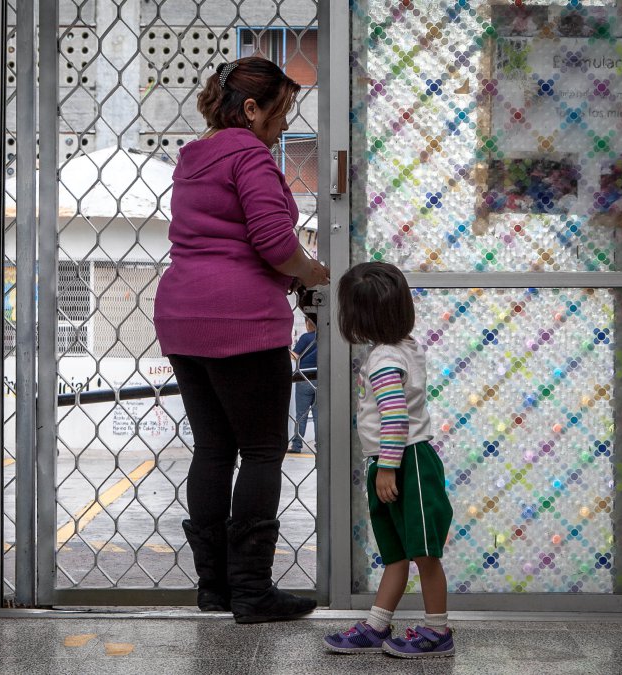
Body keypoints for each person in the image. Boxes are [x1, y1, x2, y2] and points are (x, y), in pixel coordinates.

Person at [153, 56, 330, 624]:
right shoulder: (249, 153)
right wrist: (310, 272)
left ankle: (215, 589)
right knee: (259, 450)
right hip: (241, 318)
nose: (283, 126)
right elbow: (275, 242)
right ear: (250, 109)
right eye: (280, 113)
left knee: (212, 449)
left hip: (182, 316)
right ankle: (252, 591)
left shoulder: (191, 157)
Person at [324, 262, 455, 659]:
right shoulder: (404, 347)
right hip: (400, 461)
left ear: (359, 316)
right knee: (397, 552)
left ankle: (438, 631)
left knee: (423, 553)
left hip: (405, 462)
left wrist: (386, 466)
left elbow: (395, 417)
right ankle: (378, 624)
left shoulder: (384, 359)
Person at [289, 317, 317, 454]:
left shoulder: (306, 337)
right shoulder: (325, 338)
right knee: (319, 415)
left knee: (301, 414)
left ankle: (296, 445)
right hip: (320, 377)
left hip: (304, 377)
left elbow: (293, 356)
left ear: (308, 323)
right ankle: (321, 446)